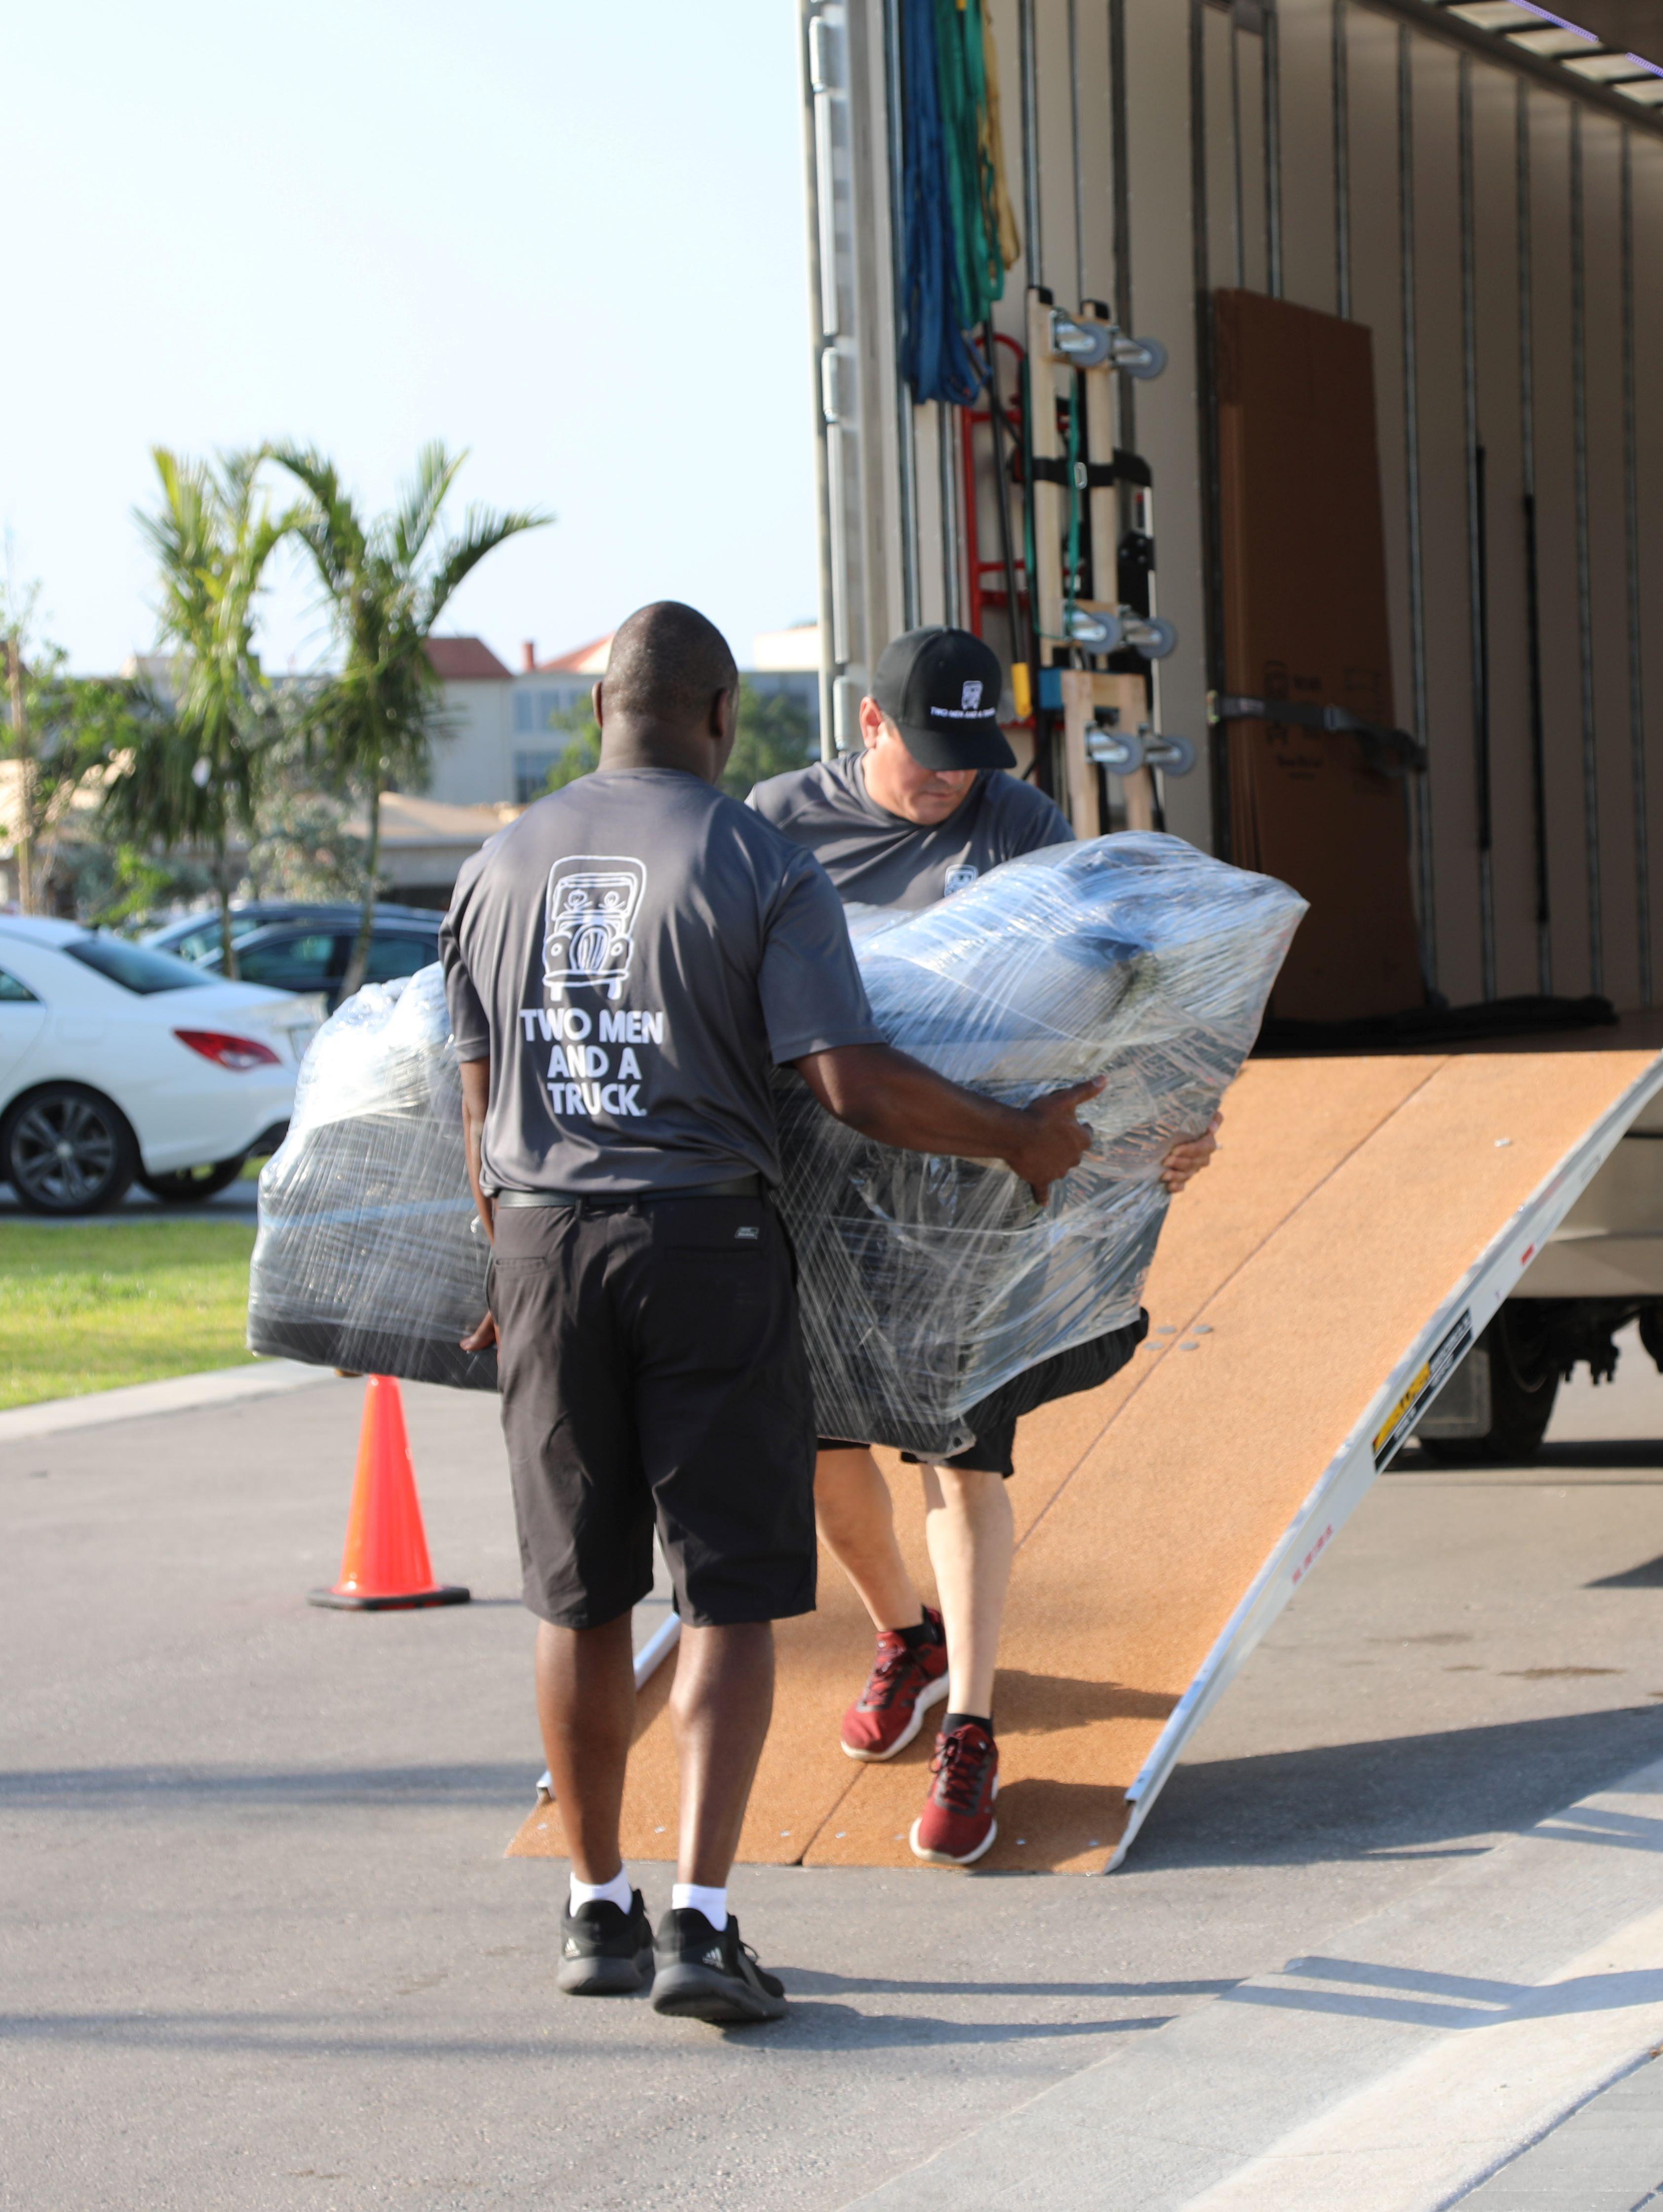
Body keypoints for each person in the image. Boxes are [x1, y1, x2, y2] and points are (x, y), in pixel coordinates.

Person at [446, 602, 1097, 2027]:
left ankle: (594, 1906)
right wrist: (1020, 1141)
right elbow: (849, 1082)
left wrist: (498, 1264)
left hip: (543, 1249)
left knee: (580, 1600)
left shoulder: (495, 865)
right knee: (730, 1595)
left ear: (605, 707)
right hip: (702, 1240)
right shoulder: (757, 858)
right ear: (724, 712)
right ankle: (703, 1919)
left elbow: (476, 1094)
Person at [748, 624, 1221, 1866]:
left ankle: (970, 1726)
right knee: (820, 1445)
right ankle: (904, 1632)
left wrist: (1174, 1113)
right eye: (929, 753)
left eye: (974, 753)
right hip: (818, 1191)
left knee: (960, 1452)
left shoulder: (1015, 821)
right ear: (868, 723)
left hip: (969, 1191)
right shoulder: (775, 820)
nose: (954, 779)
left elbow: (1126, 982)